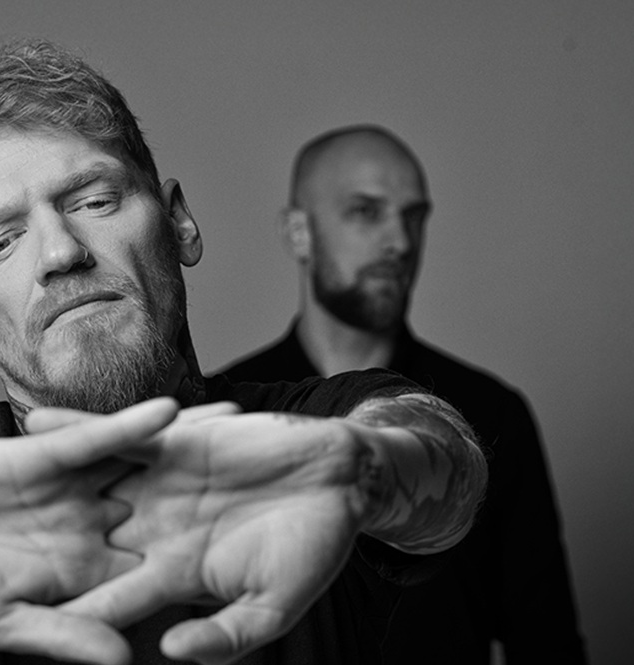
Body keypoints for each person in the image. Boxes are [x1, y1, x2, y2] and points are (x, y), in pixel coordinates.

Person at [0, 41, 488, 665]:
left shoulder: (307, 433)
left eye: (93, 200)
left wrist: (360, 472)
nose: (60, 252)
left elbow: (448, 469)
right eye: (1, 241)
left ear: (179, 224)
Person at [219, 125, 587, 662]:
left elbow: (547, 642)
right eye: (366, 212)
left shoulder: (492, 412)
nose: (401, 242)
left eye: (413, 217)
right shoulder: (229, 415)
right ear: (299, 233)